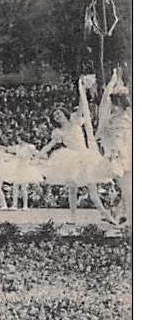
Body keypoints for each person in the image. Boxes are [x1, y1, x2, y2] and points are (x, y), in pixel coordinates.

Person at [39, 76, 118, 224]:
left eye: (59, 113)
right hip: (71, 159)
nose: (57, 117)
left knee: (92, 187)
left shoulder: (75, 119)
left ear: (64, 112)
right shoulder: (58, 132)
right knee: (72, 189)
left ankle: (106, 215)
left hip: (85, 156)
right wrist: (39, 154)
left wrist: (81, 88)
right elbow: (48, 146)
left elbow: (82, 105)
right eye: (54, 116)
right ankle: (73, 218)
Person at [96, 68, 132, 226]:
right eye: (114, 104)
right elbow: (104, 103)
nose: (114, 107)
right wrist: (112, 81)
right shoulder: (112, 118)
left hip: (125, 152)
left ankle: (129, 217)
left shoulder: (127, 116)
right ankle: (123, 213)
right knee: (123, 186)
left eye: (117, 104)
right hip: (117, 153)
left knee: (127, 186)